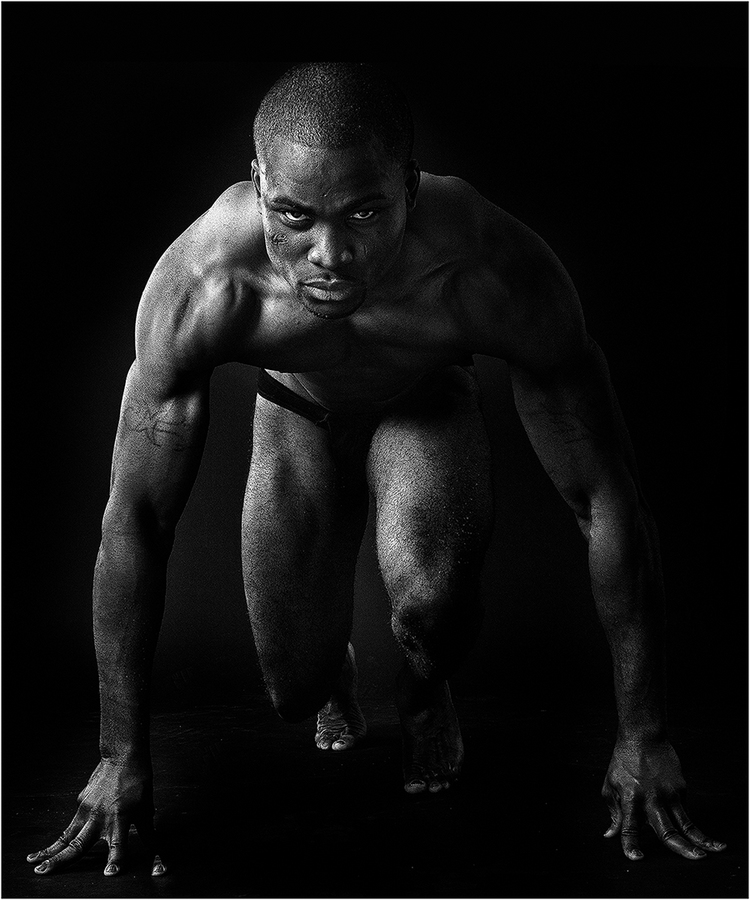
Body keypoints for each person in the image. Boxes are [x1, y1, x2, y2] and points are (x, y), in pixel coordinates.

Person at [27, 62, 725, 878]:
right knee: (294, 689)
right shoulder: (206, 282)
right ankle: (333, 674)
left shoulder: (488, 266)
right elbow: (137, 518)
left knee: (430, 606)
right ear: (258, 184)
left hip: (425, 400)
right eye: (294, 215)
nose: (330, 254)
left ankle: (426, 690)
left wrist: (644, 735)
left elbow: (607, 500)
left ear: (410, 187)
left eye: (365, 211)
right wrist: (119, 755)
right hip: (296, 412)